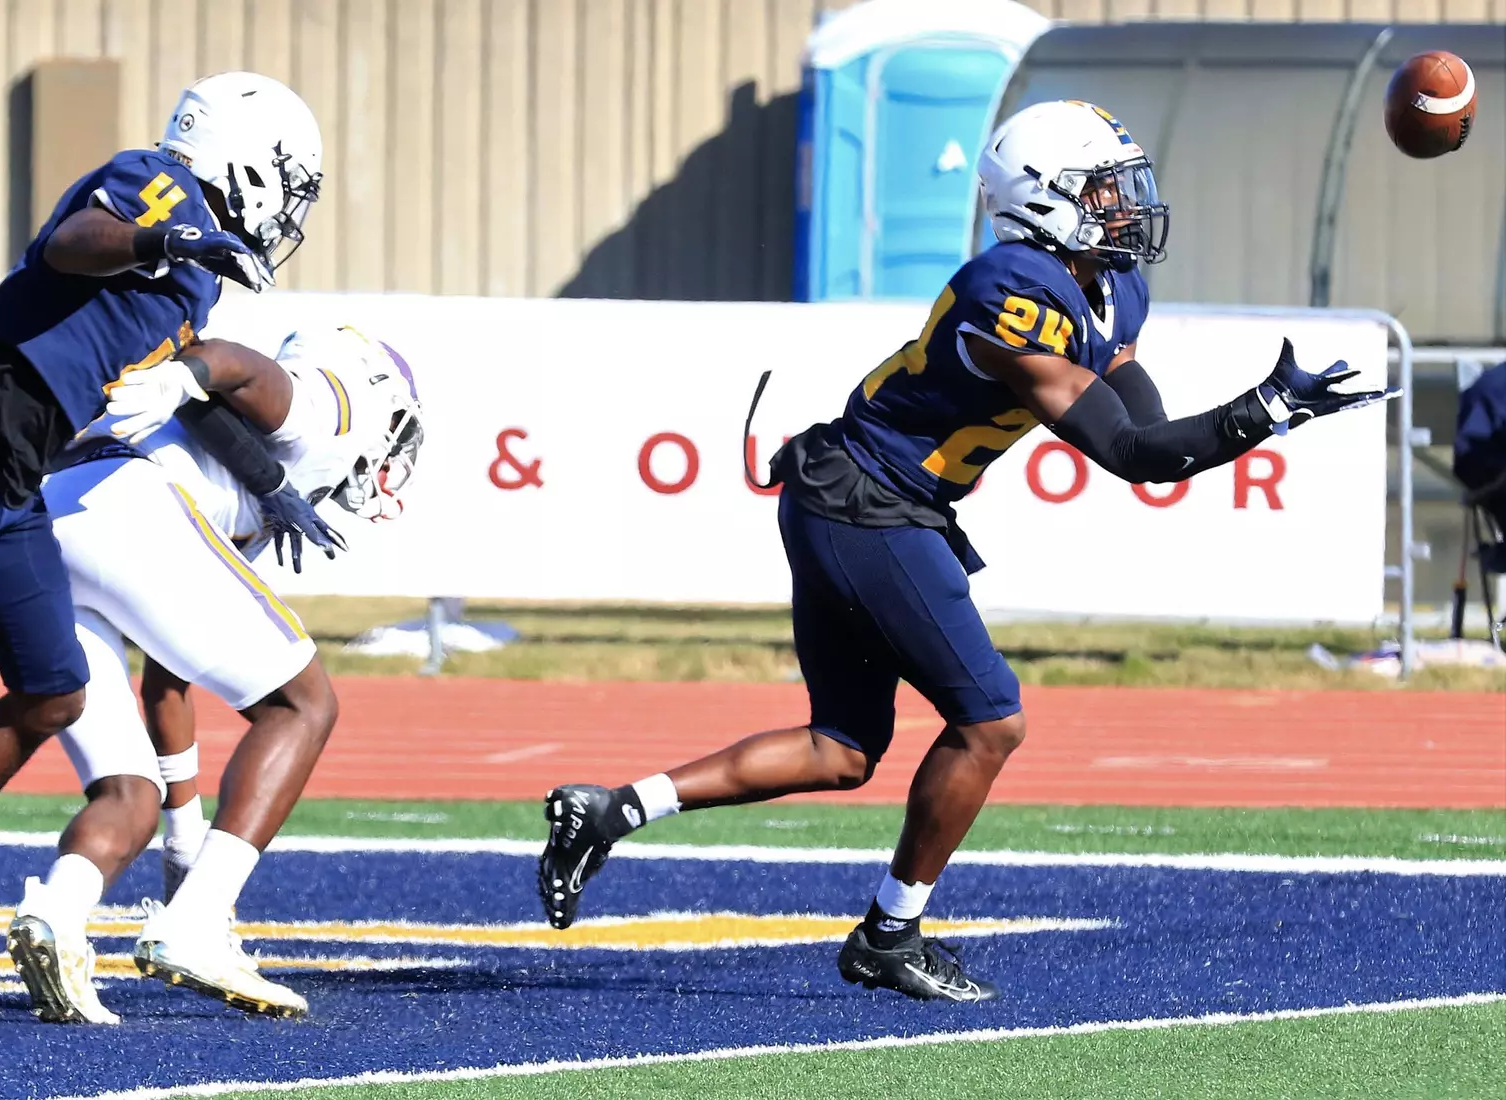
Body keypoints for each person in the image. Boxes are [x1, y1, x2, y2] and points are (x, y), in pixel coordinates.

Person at [536, 99, 1394, 1002]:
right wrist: (1266, 409)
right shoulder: (1012, 290)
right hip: (870, 505)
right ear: (1041, 199)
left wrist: (1251, 414)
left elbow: (1144, 425)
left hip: (858, 495)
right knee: (992, 722)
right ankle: (889, 934)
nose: (1124, 205)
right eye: (1103, 189)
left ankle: (613, 810)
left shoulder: (1108, 282)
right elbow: (1135, 457)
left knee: (842, 748)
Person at [0, 72, 331, 1033]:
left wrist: (275, 484)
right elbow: (71, 244)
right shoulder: (162, 187)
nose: (285, 206)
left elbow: (182, 395)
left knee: (56, 691)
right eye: (284, 179)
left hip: (16, 478)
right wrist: (166, 236)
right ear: (242, 157)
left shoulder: (200, 276)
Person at [0, 325, 423, 1024]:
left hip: (45, 526)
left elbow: (167, 680)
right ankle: (196, 922)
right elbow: (239, 366)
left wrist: (184, 833)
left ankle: (56, 911)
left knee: (129, 792)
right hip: (131, 509)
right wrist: (188, 374)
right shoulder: (328, 405)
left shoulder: (236, 484)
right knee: (303, 706)